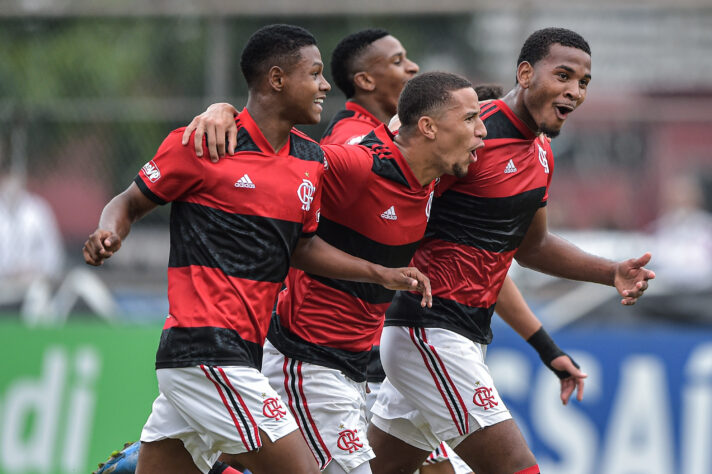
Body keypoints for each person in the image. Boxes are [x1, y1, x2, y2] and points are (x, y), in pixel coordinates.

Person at [184, 29, 590, 474]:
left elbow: (489, 263)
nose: (412, 66)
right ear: (367, 82)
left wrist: (546, 346)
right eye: (397, 61)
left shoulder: (427, 172)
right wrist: (225, 112)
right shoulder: (357, 150)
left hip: (366, 361)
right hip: (331, 351)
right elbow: (280, 167)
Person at [83, 24, 432, 474]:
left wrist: (378, 272)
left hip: (241, 352)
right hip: (205, 350)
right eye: (315, 73)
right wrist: (109, 230)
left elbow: (303, 249)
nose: (325, 85)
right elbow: (129, 200)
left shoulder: (309, 160)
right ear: (277, 79)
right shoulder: (207, 145)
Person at [363, 27, 655, 474]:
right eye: (563, 76)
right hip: (428, 330)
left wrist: (610, 271)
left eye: (584, 83)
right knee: (518, 467)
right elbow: (374, 163)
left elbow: (531, 246)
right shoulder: (468, 130)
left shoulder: (541, 153)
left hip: (464, 335)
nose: (574, 92)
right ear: (525, 73)